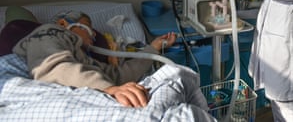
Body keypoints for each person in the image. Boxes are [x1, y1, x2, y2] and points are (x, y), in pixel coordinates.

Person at [13, 10, 177, 108]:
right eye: (88, 29)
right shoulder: (50, 32)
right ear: (63, 23)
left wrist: (153, 48)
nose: (93, 35)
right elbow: (55, 67)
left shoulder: (84, 59)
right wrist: (109, 89)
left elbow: (119, 75)